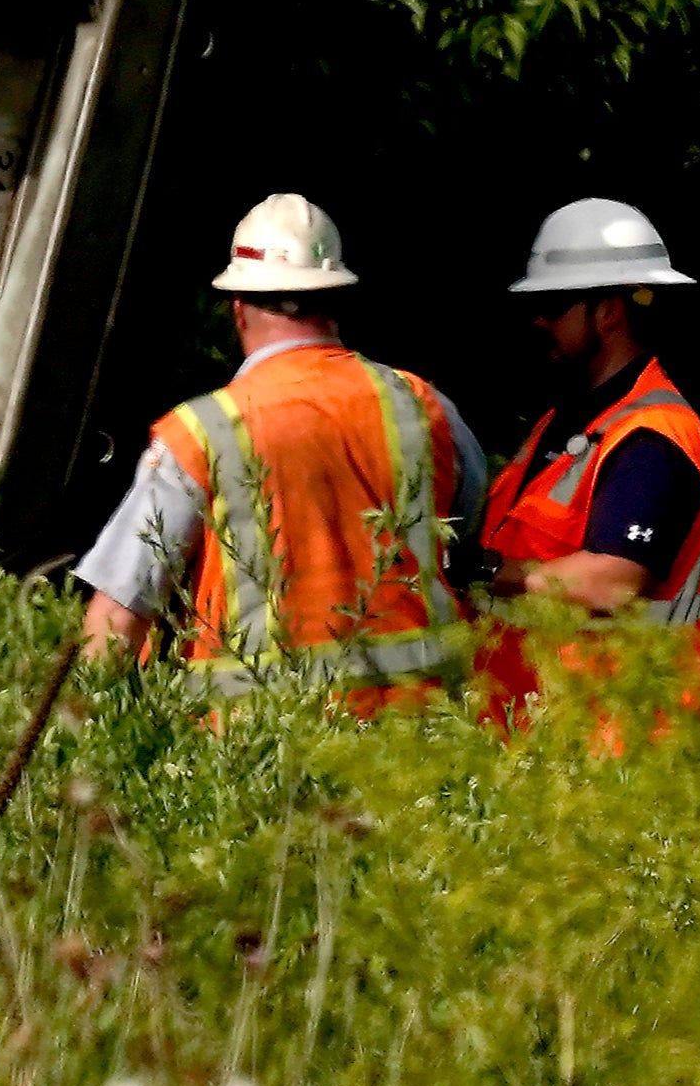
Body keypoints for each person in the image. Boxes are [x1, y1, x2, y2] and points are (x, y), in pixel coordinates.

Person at [71, 191, 485, 712]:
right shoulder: (421, 403)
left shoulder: (201, 430)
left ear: (238, 308)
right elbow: (462, 538)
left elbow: (119, 613)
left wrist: (76, 746)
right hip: (418, 738)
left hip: (262, 749)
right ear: (335, 299)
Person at [475, 196, 700, 723]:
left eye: (555, 305)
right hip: (540, 743)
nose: (537, 321)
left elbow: (614, 580)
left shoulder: (653, 438)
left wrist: (497, 571)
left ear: (609, 310)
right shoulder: (564, 423)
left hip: (614, 753)